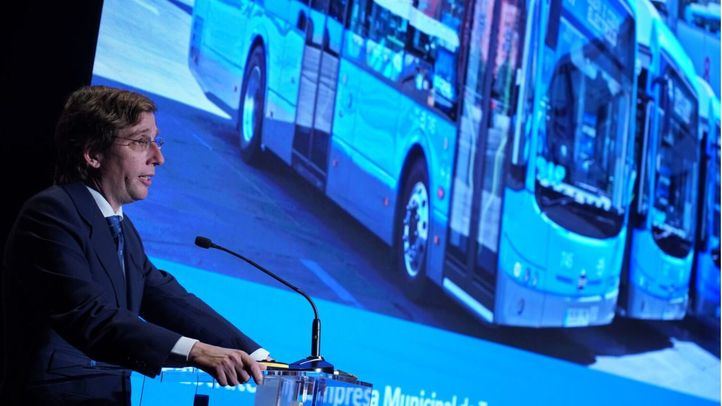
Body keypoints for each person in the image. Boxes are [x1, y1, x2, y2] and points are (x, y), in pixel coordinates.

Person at [1, 85, 268, 405]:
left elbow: (166, 298)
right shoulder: (52, 214)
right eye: (141, 142)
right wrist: (196, 351)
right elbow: (89, 316)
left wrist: (262, 358)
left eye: (156, 141)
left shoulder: (122, 228)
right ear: (93, 153)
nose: (159, 157)